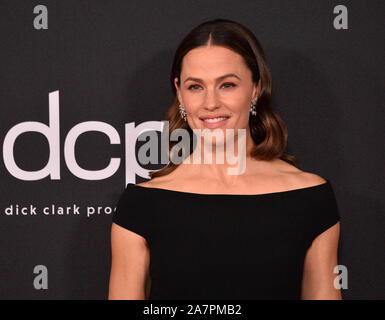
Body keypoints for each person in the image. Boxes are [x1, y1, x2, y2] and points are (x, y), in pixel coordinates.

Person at [108, 18, 341, 300]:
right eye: (196, 87)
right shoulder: (142, 205)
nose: (210, 103)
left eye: (227, 85)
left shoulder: (310, 196)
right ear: (179, 92)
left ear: (256, 87)